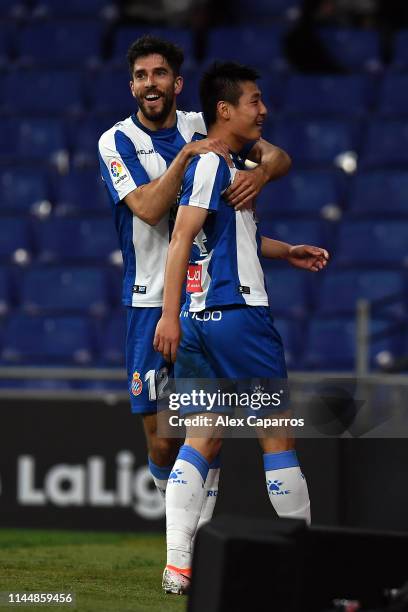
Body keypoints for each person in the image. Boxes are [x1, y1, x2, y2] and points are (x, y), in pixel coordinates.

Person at [97, 37, 292, 528]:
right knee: (161, 437)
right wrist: (187, 157)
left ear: (177, 83)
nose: (150, 84)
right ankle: (178, 519)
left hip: (202, 299)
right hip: (150, 301)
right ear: (132, 86)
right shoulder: (116, 141)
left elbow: (279, 157)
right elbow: (147, 207)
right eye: (141, 76)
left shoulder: (202, 124)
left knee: (206, 426)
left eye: (159, 74)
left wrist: (260, 176)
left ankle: (191, 544)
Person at [154, 61, 329, 594]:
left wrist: (286, 249)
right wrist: (164, 312)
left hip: (202, 318)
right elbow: (180, 239)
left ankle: (178, 564)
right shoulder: (213, 164)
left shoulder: (222, 165)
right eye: (255, 101)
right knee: (276, 436)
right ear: (224, 109)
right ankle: (305, 566)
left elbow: (223, 237)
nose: (264, 110)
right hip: (238, 316)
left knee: (202, 436)